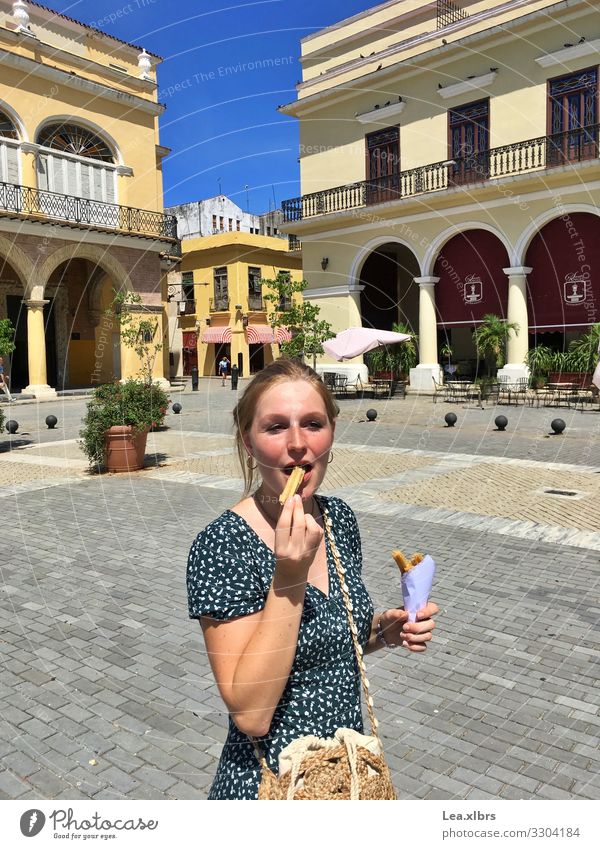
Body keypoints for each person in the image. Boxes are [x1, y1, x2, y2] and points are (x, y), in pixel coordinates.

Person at [186, 358, 438, 800]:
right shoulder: (221, 544)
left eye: (313, 424)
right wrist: (289, 576)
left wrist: (384, 630)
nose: (298, 444)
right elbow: (251, 712)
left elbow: (333, 638)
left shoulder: (337, 517)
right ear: (248, 441)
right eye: (275, 427)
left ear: (332, 435)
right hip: (269, 789)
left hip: (346, 780)